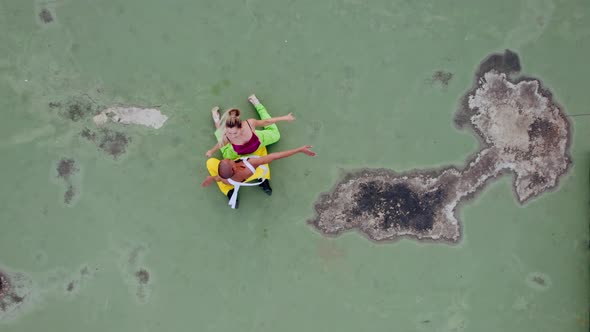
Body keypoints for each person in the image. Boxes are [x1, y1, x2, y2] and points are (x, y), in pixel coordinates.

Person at [202, 145, 316, 209]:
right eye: (228, 160)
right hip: (252, 174)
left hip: (235, 183)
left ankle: (229, 193)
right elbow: (275, 156)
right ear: (233, 168)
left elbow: (218, 178)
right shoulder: (252, 163)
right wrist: (299, 149)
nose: (226, 158)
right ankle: (263, 181)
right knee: (261, 149)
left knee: (210, 163)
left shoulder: (225, 179)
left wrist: (211, 178)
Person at [206, 94, 295, 161]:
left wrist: (284, 117)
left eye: (235, 132)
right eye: (230, 132)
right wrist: (211, 151)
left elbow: (266, 122)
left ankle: (257, 103)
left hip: (259, 142)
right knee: (225, 152)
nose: (232, 136)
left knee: (276, 136)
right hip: (242, 152)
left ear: (241, 127)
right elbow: (221, 144)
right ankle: (216, 120)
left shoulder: (250, 124)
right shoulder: (227, 136)